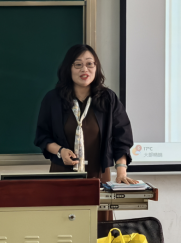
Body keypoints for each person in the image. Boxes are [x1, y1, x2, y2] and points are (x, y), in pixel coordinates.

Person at [35, 44, 136, 185]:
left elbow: (122, 139)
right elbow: (43, 136)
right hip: (62, 177)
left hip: (99, 178)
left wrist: (121, 173)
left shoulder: (108, 99)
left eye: (89, 64)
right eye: (78, 65)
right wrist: (60, 151)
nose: (84, 69)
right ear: (68, 68)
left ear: (96, 67)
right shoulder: (53, 99)